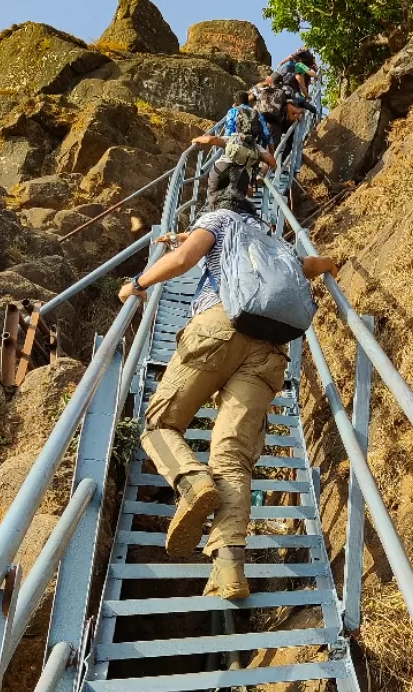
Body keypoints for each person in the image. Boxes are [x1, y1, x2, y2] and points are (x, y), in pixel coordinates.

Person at [119, 198, 335, 600]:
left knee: (159, 425)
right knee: (233, 456)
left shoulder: (218, 220)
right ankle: (228, 570)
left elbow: (184, 258)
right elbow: (309, 267)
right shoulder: (275, 241)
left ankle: (192, 481)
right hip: (270, 350)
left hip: (218, 327)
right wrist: (330, 264)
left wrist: (137, 285)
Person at [192, 104, 276, 207]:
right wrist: (268, 166)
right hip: (240, 176)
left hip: (220, 170)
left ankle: (212, 210)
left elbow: (210, 139)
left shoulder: (231, 139)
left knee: (213, 197)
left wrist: (195, 139)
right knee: (236, 204)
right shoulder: (256, 148)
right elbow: (271, 161)